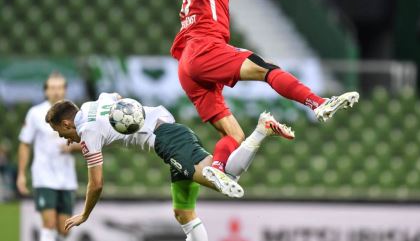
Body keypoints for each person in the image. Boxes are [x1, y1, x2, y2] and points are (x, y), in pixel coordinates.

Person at [154, 0, 359, 178]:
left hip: (187, 67)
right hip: (204, 49)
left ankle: (217, 169)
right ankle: (318, 103)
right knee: (266, 68)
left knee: (235, 136)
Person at [45, 92, 294, 241]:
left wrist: (85, 214)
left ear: (67, 122)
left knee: (228, 178)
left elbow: (96, 184)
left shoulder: (88, 133)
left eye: (59, 132)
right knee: (183, 212)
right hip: (168, 131)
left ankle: (261, 129)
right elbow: (117, 98)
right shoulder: (91, 106)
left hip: (167, 140)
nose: (63, 138)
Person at [17, 72, 80, 241]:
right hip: (44, 176)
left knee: (64, 229)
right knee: (49, 224)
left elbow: (85, 143)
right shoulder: (35, 113)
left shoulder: (75, 114)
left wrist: (72, 148)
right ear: (46, 91)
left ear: (65, 90)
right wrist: (21, 174)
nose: (56, 92)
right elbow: (25, 143)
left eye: (59, 88)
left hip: (66, 178)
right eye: (52, 88)